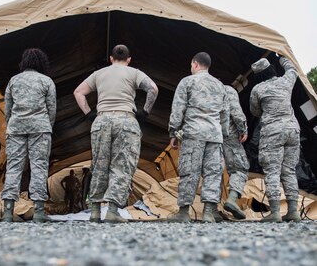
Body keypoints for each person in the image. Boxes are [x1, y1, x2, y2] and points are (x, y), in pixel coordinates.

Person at [74, 44, 158, 223]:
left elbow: (79, 92)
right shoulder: (134, 72)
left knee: (99, 164)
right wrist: (145, 111)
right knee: (122, 165)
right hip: (126, 120)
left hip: (102, 120)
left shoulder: (99, 74)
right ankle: (112, 210)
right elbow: (153, 89)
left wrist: (89, 113)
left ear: (111, 59)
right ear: (128, 60)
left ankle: (95, 211)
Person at [168, 52, 228, 223]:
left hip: (194, 133)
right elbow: (225, 113)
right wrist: (223, 133)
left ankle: (183, 213)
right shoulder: (219, 85)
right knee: (213, 173)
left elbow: (178, 108)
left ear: (194, 64)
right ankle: (208, 212)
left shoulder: (187, 82)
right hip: (215, 135)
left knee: (190, 172)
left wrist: (174, 132)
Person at [0, 48, 56, 223]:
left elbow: (7, 107)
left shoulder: (13, 81)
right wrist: (47, 125)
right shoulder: (46, 81)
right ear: (41, 63)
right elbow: (51, 108)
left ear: (23, 62)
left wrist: (12, 124)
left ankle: (8, 210)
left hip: (16, 127)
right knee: (39, 166)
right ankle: (39, 210)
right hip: (40, 127)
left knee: (14, 167)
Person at [250, 56, 301, 222]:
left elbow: (255, 112)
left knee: (272, 171)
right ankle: (293, 211)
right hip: (292, 129)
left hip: (273, 132)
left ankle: (275, 212)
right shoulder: (286, 81)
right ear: (271, 69)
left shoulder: (258, 89)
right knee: (289, 170)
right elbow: (293, 69)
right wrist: (282, 57)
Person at [222, 85, 249, 220]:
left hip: (207, 135)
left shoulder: (202, 89)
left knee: (213, 172)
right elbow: (236, 111)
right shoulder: (228, 90)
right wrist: (243, 129)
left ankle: (210, 210)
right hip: (229, 135)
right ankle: (232, 200)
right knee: (240, 169)